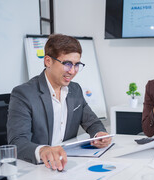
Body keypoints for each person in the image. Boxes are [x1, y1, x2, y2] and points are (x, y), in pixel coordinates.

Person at [7, 34, 111, 171]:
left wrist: (100, 134)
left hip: (68, 164)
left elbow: (92, 122)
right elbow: (17, 142)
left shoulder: (75, 89)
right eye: (67, 64)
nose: (72, 71)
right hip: (37, 167)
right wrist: (43, 150)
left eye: (77, 65)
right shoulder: (24, 94)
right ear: (48, 61)